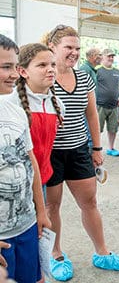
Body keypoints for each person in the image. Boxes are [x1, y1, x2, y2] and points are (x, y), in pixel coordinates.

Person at [42, 25, 119, 281]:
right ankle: (55, 253)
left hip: (79, 149)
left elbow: (91, 114)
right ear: (53, 47)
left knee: (90, 203)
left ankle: (102, 252)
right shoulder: (44, 77)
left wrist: (97, 147)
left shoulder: (84, 77)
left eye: (77, 48)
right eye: (68, 47)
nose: (74, 53)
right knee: (51, 206)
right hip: (50, 153)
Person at [0, 34, 50, 283]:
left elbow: (31, 164)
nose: (14, 74)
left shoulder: (16, 109)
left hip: (27, 224)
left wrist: (40, 211)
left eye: (14, 66)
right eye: (5, 67)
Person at [10, 43, 64, 190]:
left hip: (41, 178)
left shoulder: (58, 105)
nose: (51, 69)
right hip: (15, 181)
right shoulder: (11, 103)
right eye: (42, 65)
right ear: (23, 71)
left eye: (53, 64)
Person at [96, 48, 119, 156]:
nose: (111, 58)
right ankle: (95, 148)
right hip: (99, 105)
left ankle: (111, 148)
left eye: (112, 56)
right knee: (96, 128)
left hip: (114, 106)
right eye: (109, 56)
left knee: (113, 128)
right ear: (102, 57)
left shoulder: (118, 72)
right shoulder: (97, 70)